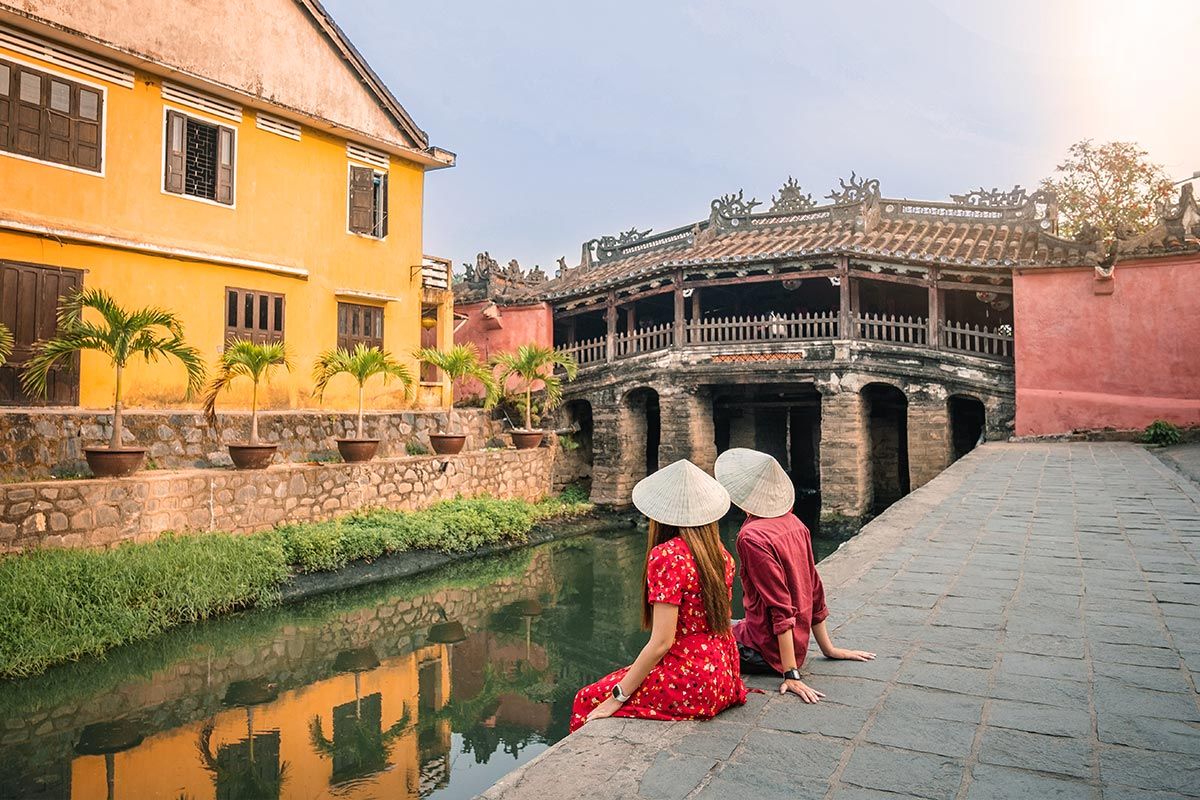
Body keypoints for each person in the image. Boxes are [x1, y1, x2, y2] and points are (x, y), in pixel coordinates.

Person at [570, 459, 747, 731]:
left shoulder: (668, 557)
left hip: (692, 682)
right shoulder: (720, 555)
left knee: (587, 699)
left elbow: (662, 642)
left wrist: (617, 698)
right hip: (724, 675)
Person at [715, 448, 875, 703]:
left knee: (696, 640)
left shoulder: (752, 537)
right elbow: (813, 589)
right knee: (731, 625)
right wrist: (828, 649)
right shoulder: (795, 523)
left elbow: (780, 606)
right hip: (789, 643)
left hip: (766, 651)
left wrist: (790, 674)